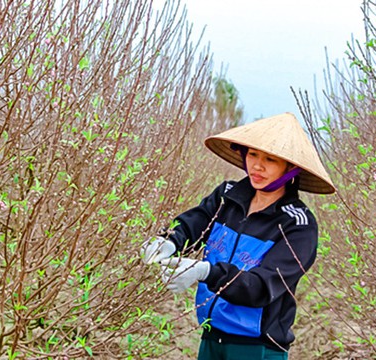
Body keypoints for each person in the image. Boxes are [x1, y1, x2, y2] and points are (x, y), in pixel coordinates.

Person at [140, 113, 336, 360]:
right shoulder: (228, 197)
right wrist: (168, 240)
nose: (257, 166)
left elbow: (262, 287)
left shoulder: (297, 225)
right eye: (253, 154)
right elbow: (195, 223)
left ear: (290, 168)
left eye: (270, 159)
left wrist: (205, 272)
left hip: (257, 348)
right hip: (211, 336)